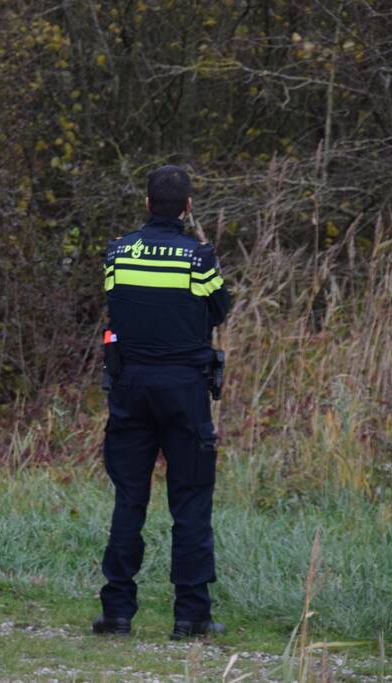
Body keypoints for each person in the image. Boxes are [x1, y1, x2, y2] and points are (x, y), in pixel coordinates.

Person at [92, 165, 231, 640]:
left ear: (148, 204)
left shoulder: (118, 252)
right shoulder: (199, 258)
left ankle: (116, 613)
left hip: (130, 387)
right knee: (190, 501)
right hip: (185, 391)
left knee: (129, 498)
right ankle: (191, 616)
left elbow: (117, 301)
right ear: (187, 207)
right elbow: (220, 309)